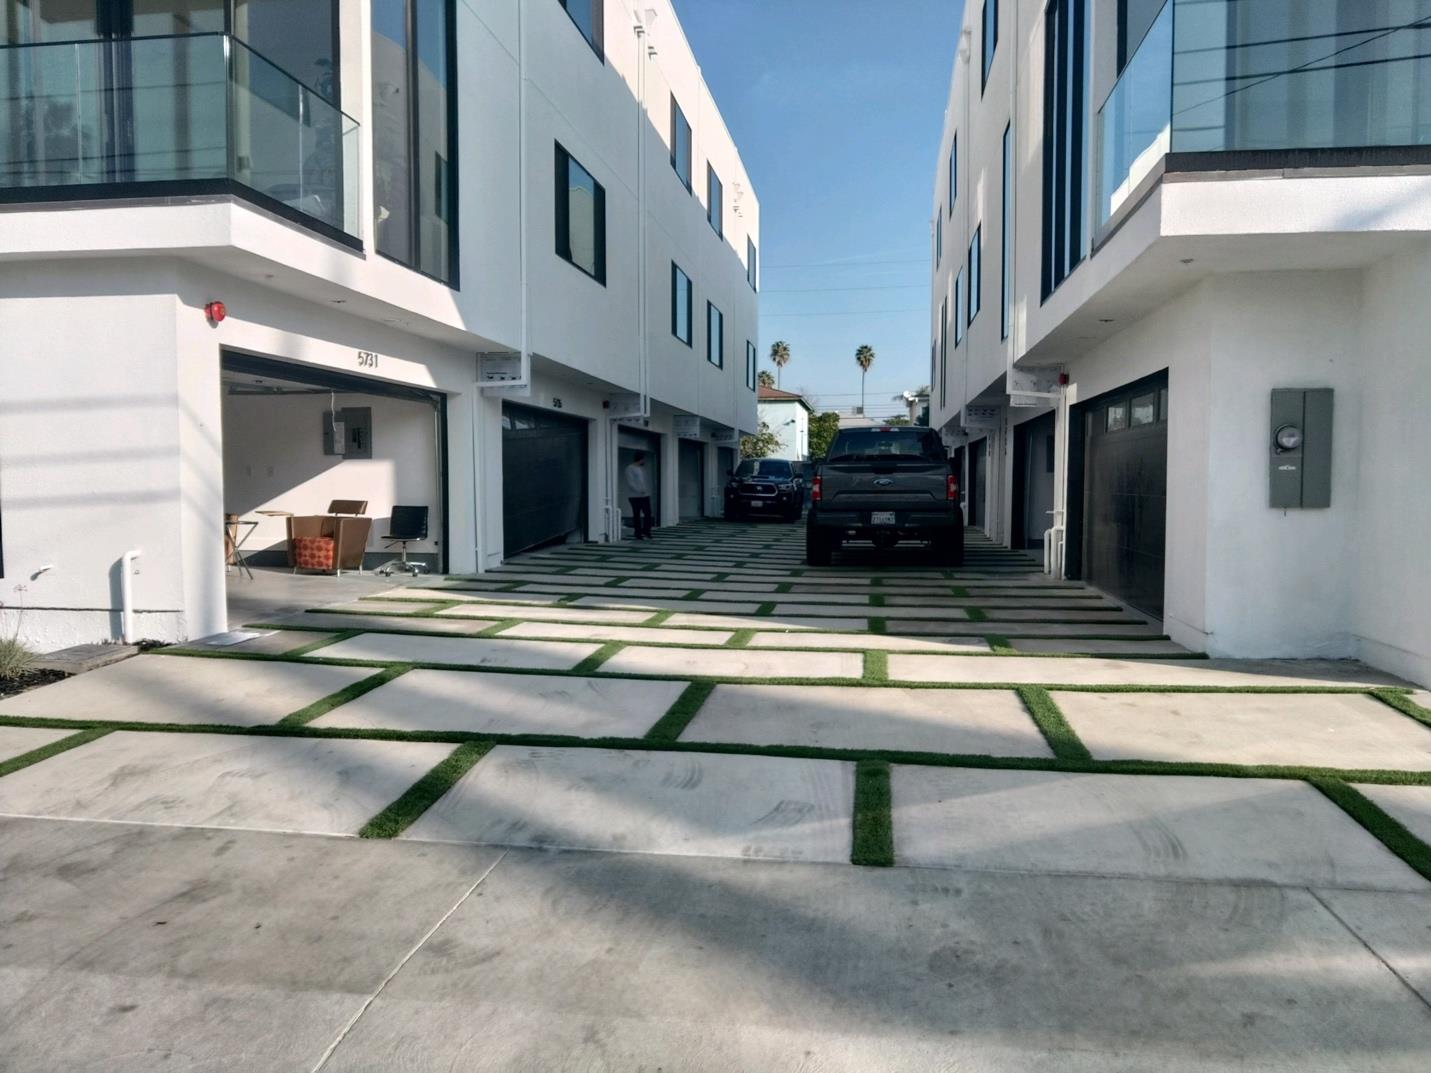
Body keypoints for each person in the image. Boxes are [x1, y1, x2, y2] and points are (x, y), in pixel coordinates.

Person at [624, 453, 654, 540]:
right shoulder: (629, 468)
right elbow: (630, 482)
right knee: (636, 514)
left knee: (648, 513)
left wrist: (646, 491)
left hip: (645, 495)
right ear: (640, 460)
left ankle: (646, 531)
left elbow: (644, 481)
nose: (644, 461)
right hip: (634, 496)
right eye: (643, 460)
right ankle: (638, 533)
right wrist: (639, 490)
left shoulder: (642, 469)